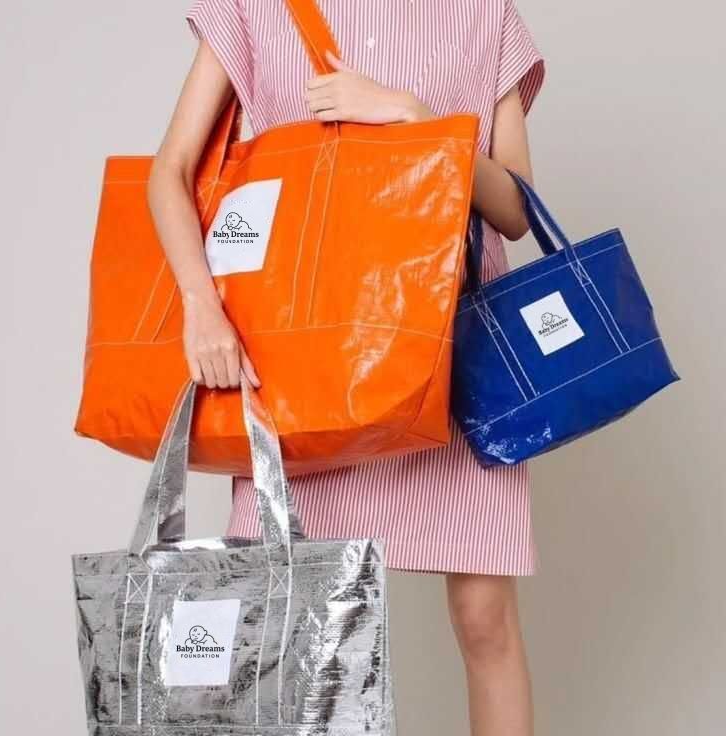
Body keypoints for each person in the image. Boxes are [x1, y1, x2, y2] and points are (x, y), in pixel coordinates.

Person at [147, 1, 545, 734]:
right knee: (294, 629)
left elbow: (517, 211)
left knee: (484, 617)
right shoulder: (257, 8)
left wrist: (415, 117)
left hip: (451, 356)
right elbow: (170, 170)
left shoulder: (484, 13)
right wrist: (201, 306)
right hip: (304, 360)